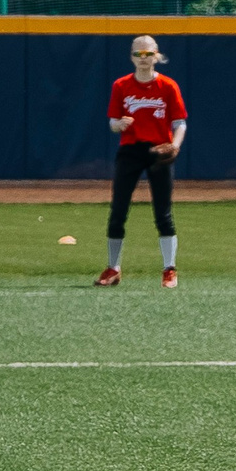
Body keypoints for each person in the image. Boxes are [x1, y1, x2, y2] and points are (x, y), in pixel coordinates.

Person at [97, 34, 186, 289]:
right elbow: (112, 122)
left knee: (163, 213)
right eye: (138, 54)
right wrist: (119, 124)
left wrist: (175, 146)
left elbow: (180, 122)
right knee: (118, 211)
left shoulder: (168, 86)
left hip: (159, 151)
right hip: (130, 151)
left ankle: (169, 269)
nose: (143, 58)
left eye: (148, 54)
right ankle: (113, 268)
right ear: (131, 57)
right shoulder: (121, 85)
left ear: (156, 56)